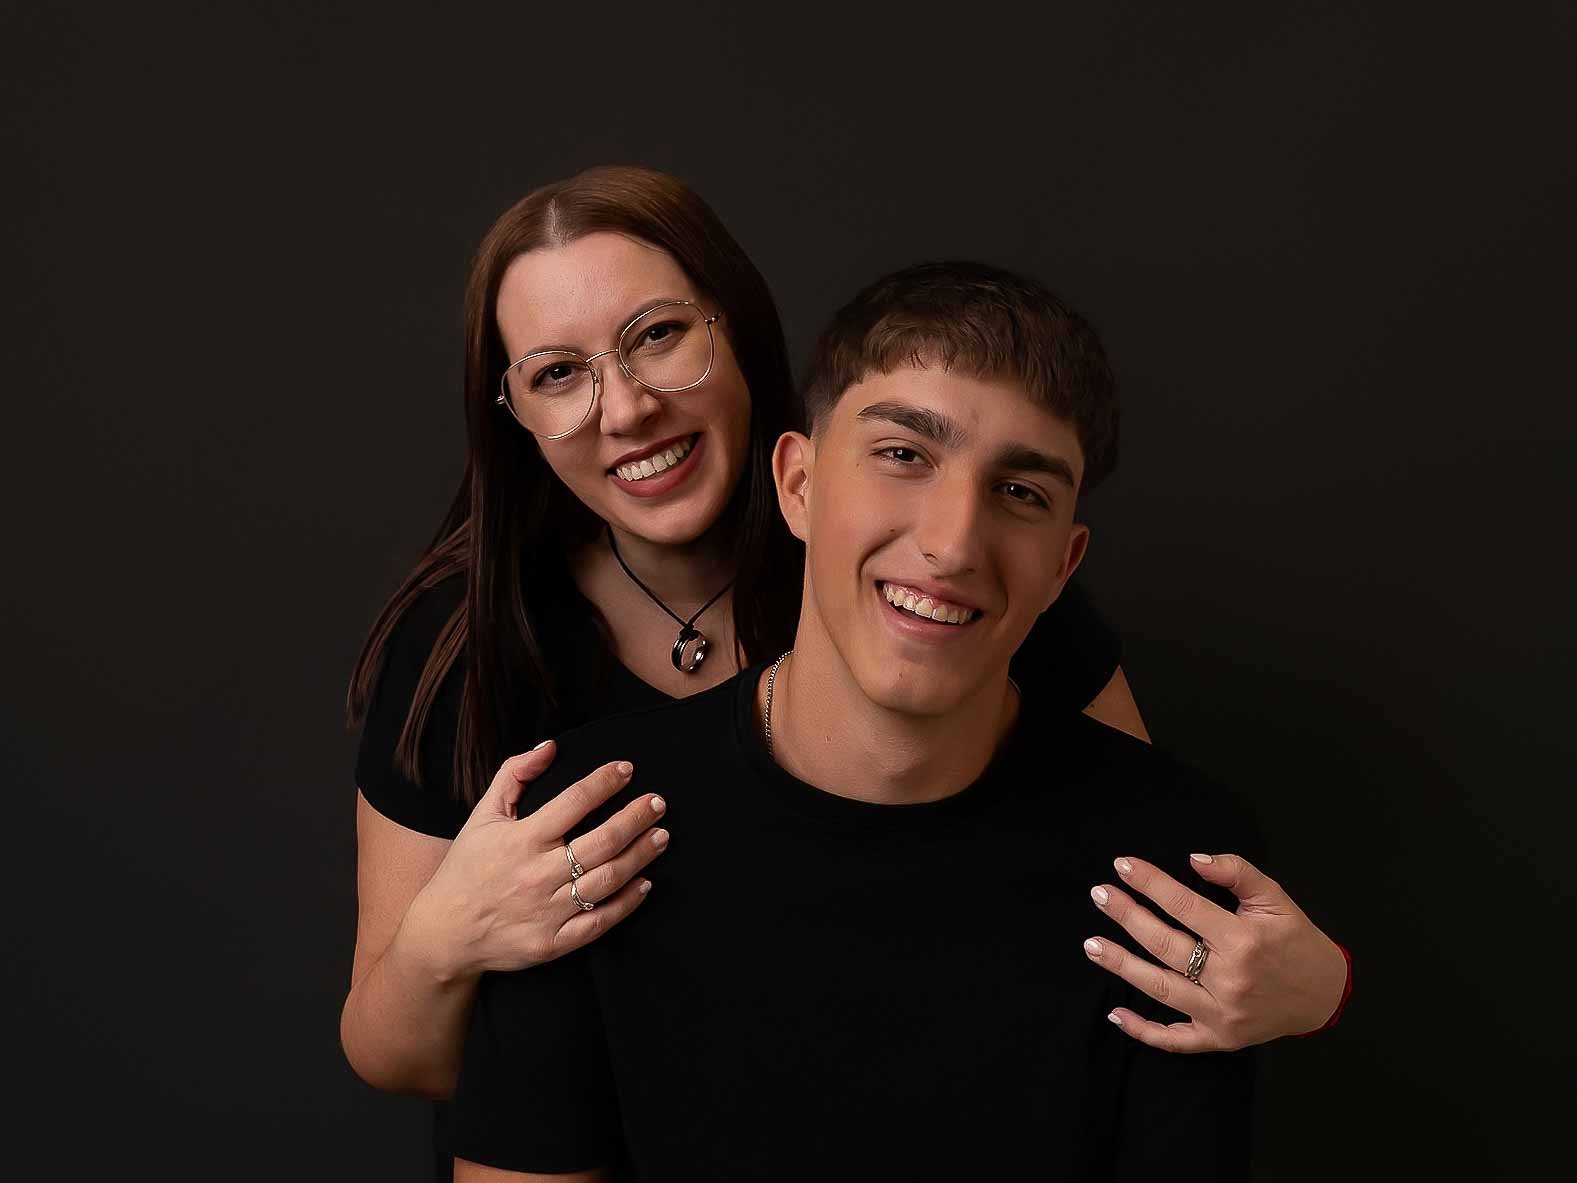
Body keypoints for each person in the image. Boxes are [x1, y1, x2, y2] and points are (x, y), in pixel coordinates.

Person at [341, 166, 1352, 1178]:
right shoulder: (469, 643)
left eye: (658, 335)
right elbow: (404, 1058)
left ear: (735, 330)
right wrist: (447, 936)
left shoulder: (950, 579)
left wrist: (1315, 986)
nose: (628, 407)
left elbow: (1127, 877)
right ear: (513, 411)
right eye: (558, 373)